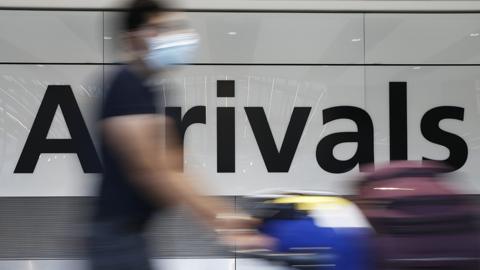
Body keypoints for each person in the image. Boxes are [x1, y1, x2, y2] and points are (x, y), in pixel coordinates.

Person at [89, 1, 272, 269]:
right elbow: (152, 171)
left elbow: (175, 168)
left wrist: (227, 218)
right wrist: (220, 220)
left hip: (133, 236)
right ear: (131, 38)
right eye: (159, 28)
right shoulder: (125, 85)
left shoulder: (151, 89)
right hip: (115, 240)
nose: (172, 35)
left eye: (176, 27)